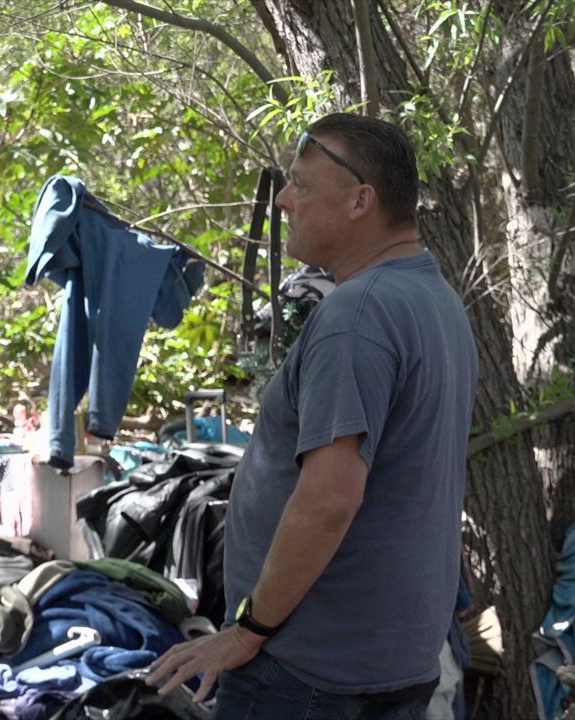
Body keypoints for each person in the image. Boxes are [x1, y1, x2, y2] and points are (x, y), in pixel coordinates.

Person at [146, 113, 478, 719]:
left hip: (309, 674)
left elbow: (330, 499)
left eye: (301, 184)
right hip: (390, 663)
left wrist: (248, 630)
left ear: (360, 201)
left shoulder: (358, 315)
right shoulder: (434, 298)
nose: (282, 200)